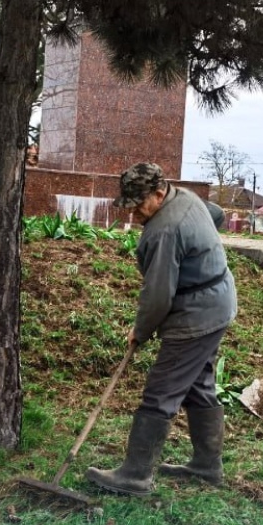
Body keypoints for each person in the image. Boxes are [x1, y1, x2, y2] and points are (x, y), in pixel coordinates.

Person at [85, 163, 238, 496]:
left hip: (197, 314)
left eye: (140, 205)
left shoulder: (164, 231)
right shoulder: (186, 197)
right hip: (218, 303)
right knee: (198, 384)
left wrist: (140, 331)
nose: (135, 213)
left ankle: (135, 476)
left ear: (158, 193)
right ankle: (206, 466)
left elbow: (158, 294)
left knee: (161, 392)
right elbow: (215, 215)